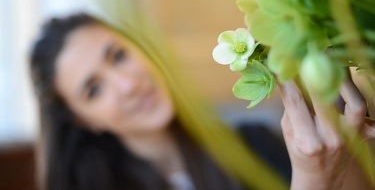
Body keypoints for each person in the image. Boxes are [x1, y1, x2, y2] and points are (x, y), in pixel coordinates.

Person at [29, 13, 374, 190]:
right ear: (83, 121)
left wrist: (343, 153)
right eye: (93, 89)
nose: (127, 84)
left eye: (118, 55)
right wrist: (312, 178)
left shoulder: (253, 144)